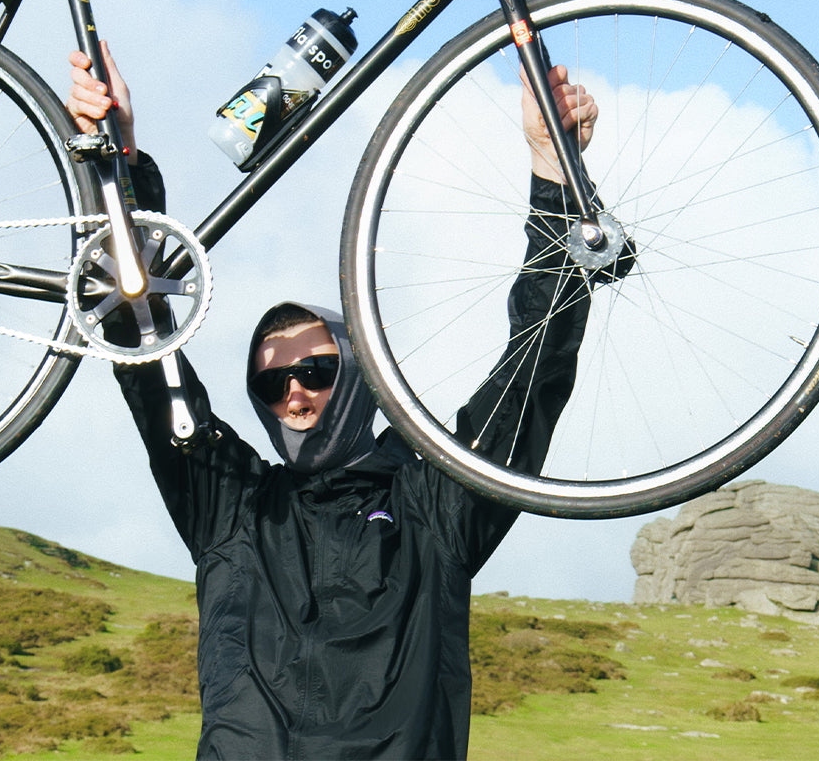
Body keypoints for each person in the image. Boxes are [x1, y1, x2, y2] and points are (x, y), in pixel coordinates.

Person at [66, 42, 598, 761]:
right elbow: (139, 343)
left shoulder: (433, 500)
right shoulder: (230, 505)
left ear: (356, 372)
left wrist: (554, 175)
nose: (293, 395)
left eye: (315, 369)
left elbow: (533, 368)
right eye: (271, 383)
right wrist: (120, 162)